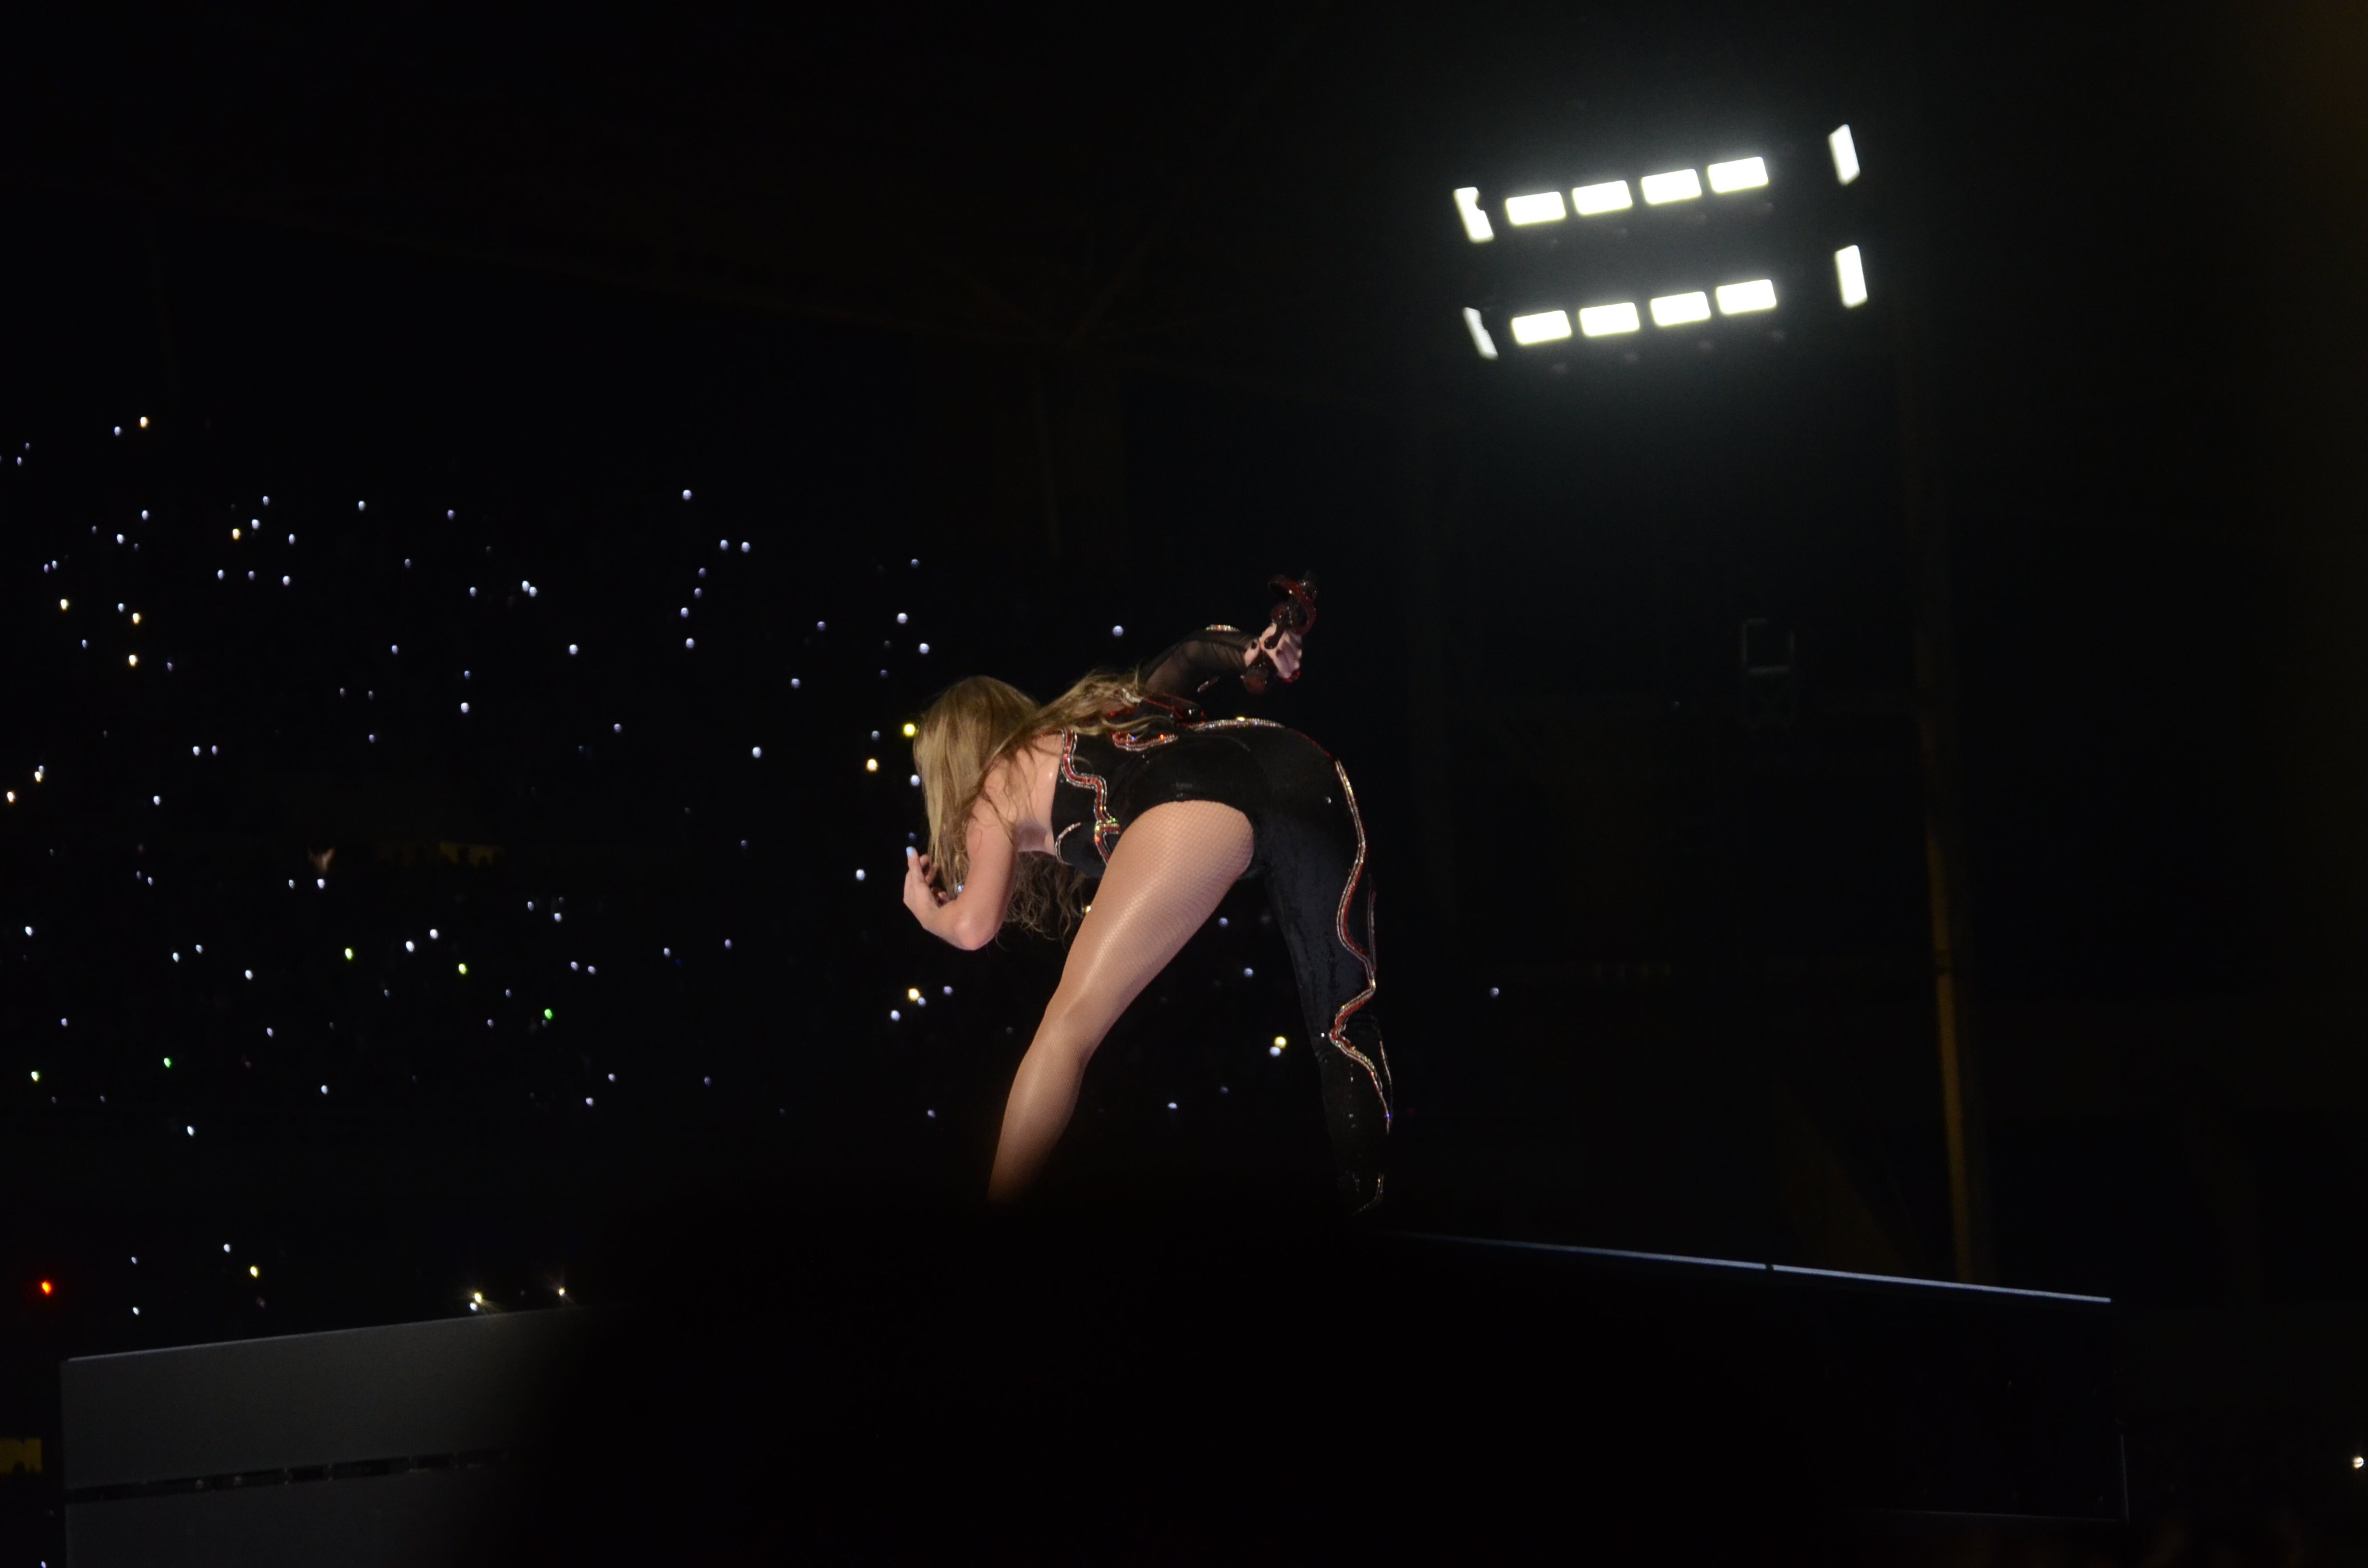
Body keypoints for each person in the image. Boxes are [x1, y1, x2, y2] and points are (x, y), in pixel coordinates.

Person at [901, 606, 1392, 1213]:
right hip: (1302, 770)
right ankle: (1371, 1204)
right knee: (1342, 1026)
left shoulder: (994, 781)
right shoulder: (1092, 717)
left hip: (1195, 800)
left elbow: (975, 925)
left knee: (1065, 1029)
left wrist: (928, 912)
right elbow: (1187, 658)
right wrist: (1253, 649)